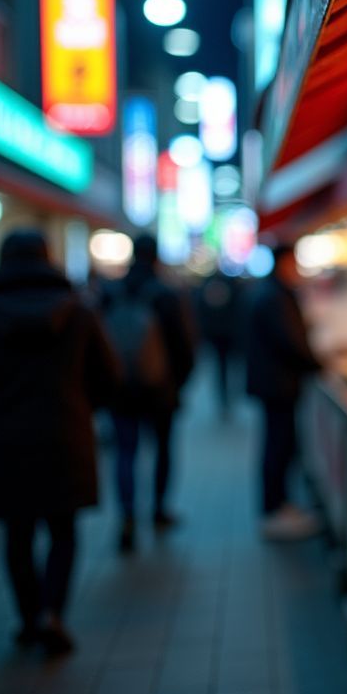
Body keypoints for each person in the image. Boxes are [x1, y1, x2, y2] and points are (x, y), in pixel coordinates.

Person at [0, 230, 119, 655]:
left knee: (17, 535)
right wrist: (81, 409)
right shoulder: (79, 313)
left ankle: (28, 616)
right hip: (65, 434)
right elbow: (107, 376)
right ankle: (53, 612)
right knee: (63, 529)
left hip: (4, 440)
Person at [101, 234, 195, 552]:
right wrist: (177, 382)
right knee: (163, 449)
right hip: (160, 389)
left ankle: (127, 515)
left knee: (125, 452)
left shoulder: (110, 292)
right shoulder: (166, 294)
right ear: (155, 257)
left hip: (119, 389)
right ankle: (158, 510)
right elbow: (184, 345)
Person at [246, 244, 322, 539]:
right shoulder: (275, 296)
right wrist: (316, 364)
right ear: (283, 262)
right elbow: (290, 341)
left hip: (274, 383)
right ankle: (274, 509)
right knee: (279, 446)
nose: (298, 268)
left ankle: (279, 505)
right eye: (294, 262)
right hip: (277, 384)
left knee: (279, 445)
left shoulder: (270, 292)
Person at [196, 271, 243, 414]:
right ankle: (225, 396)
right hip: (223, 334)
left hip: (219, 334)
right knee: (224, 367)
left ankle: (225, 396)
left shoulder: (207, 285)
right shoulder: (230, 285)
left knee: (223, 367)